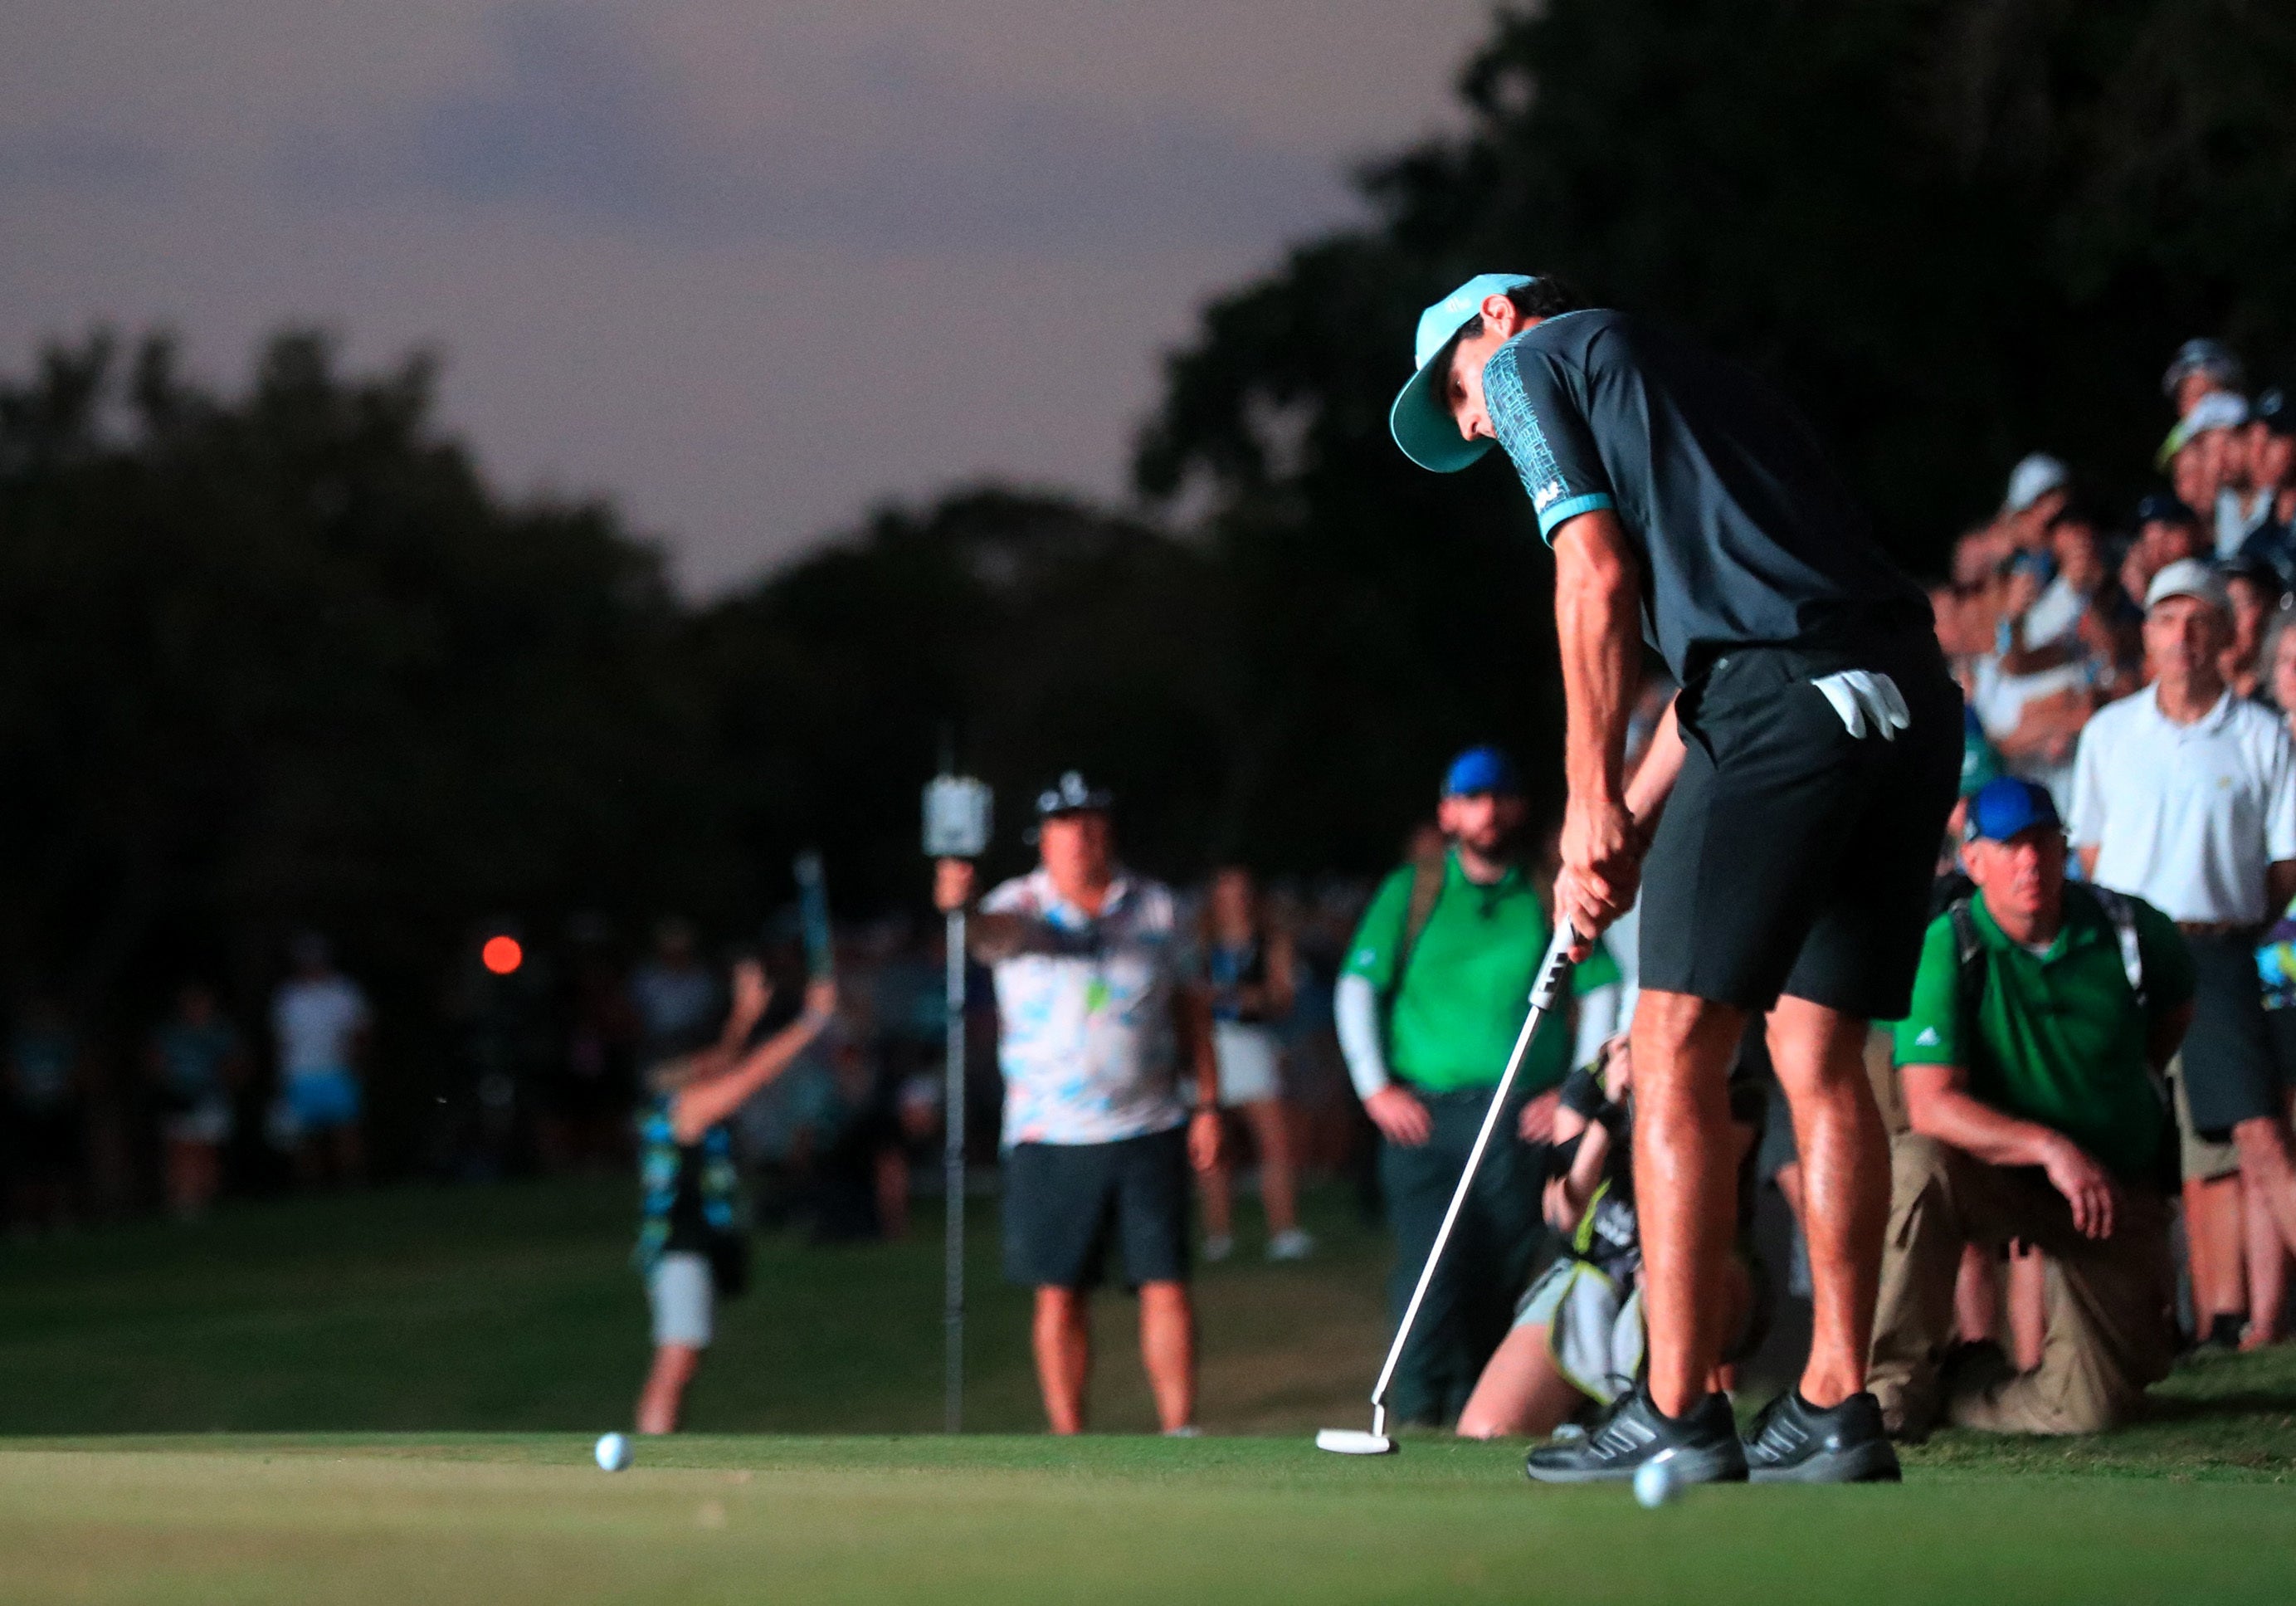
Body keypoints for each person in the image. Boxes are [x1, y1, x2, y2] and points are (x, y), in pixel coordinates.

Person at [1390, 272, 1961, 1482]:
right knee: (1815, 1053)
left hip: (1779, 705)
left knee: (1669, 1043)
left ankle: (1674, 1406)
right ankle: (1832, 1404)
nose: (1478, 420)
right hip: (1902, 698)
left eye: (1457, 388)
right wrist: (1630, 821)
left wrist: (1583, 797)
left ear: (1496, 320)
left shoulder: (1532, 361)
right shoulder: (1698, 384)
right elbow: (1721, 664)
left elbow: (1591, 578)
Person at [1871, 779, 2191, 1433]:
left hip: (2107, 1190)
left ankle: (1966, 1389)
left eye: (2044, 841)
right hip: (1996, 1171)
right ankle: (1890, 1394)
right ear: (1972, 859)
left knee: (2091, 1410)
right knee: (1916, 1163)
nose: (2030, 861)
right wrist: (2048, 1146)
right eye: (2011, 845)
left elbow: (2169, 1023)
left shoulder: (2135, 932)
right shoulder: (1945, 944)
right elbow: (1930, 1105)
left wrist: (2104, 1115)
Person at [933, 772, 1221, 1436]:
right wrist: (963, 905)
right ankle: (1070, 1436)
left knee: (1166, 1281)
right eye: (1067, 824)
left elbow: (1191, 1008)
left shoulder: (1156, 906)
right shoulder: (1018, 903)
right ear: (1046, 837)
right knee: (1059, 1291)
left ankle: (1180, 1428)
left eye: (1094, 821)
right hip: (1049, 1131)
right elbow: (995, 936)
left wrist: (1207, 1102)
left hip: (1149, 1120)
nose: (1082, 836)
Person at [1333, 745, 1609, 1428]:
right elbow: (1355, 988)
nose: (1485, 812)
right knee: (1431, 1271)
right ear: (1448, 811)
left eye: (1497, 798)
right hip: (1424, 1117)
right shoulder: (1414, 889)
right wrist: (1374, 1088)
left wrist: (1574, 1088)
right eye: (1471, 799)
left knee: (1503, 1272)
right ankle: (1419, 1414)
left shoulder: (1549, 887)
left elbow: (1603, 988)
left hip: (1519, 1118)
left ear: (1514, 807)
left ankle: (1484, 1419)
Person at [2069, 559, 2296, 1352]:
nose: (2183, 636)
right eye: (2167, 619)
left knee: (2254, 1138)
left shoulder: (2261, 732)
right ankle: (2136, 1323)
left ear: (2227, 634)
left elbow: (2282, 863)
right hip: (2120, 950)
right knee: (2122, 1143)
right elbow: (2090, 848)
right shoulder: (2107, 731)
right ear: (2148, 632)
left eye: (2198, 619)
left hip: (2218, 950)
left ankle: (2235, 1318)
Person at [1455, 1033, 1767, 1441]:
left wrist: (1659, 1100)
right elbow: (1564, 1214)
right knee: (1488, 1431)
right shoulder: (1589, 1086)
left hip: (1696, 1266)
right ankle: (1589, 1422)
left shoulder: (1733, 1089)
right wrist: (1609, 1114)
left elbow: (1693, 1194)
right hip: (1592, 1273)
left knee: (1667, 1277)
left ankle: (1674, 1419)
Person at [633, 956, 835, 1434]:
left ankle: (662, 1445)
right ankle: (656, 1453)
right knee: (677, 1359)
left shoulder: (681, 1102)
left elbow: (728, 1059)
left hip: (688, 1248)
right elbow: (749, 1076)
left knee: (686, 1355)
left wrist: (745, 1014)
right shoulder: (689, 1106)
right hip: (681, 1249)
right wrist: (810, 1023)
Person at [1194, 866, 1313, 1263]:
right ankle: (1217, 1236)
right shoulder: (1200, 943)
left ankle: (1284, 1231)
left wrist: (1245, 997)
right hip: (1211, 1045)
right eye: (1227, 893)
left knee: (1274, 1142)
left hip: (1254, 1043)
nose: (1235, 901)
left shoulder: (1270, 941)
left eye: (1242, 892)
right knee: (1213, 1147)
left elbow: (1282, 995)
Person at [270, 935, 369, 1187]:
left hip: (338, 1070)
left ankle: (351, 1183)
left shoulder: (344, 990)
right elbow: (281, 1039)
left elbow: (361, 1031)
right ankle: (310, 1186)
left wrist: (357, 1063)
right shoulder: (288, 996)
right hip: (299, 1072)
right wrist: (281, 1076)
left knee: (345, 1130)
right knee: (304, 1136)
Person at [148, 984, 247, 1220]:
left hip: (211, 1099)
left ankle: (206, 1203)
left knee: (207, 1152)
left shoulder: (220, 1033)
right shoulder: (171, 1035)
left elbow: (239, 1065)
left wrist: (227, 1077)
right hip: (179, 1100)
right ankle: (182, 1204)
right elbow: (154, 1065)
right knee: (180, 1152)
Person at [6, 994, 82, 1233]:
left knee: (61, 1167)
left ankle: (62, 1217)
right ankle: (28, 1221)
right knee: (29, 1169)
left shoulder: (62, 1042)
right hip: (27, 1113)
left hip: (59, 1112)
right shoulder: (20, 1044)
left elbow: (78, 1073)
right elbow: (11, 1075)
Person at [2163, 337, 2244, 419]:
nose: (2203, 404)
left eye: (2206, 394)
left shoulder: (2253, 425)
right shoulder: (2182, 431)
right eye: (2190, 396)